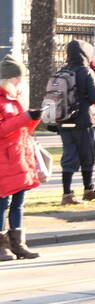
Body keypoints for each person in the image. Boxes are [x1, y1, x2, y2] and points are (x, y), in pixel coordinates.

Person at [0, 56, 42, 261]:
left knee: (18, 202)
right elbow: (3, 130)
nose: (20, 82)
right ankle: (2, 246)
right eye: (17, 77)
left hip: (18, 158)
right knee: (3, 203)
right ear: (6, 78)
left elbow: (21, 130)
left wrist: (33, 118)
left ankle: (18, 244)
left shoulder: (14, 100)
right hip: (5, 161)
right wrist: (25, 118)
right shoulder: (2, 100)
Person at [56, 39, 95, 205]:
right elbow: (94, 97)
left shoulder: (62, 71)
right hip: (82, 121)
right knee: (87, 155)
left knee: (68, 155)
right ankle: (88, 189)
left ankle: (66, 194)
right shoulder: (85, 71)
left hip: (63, 121)